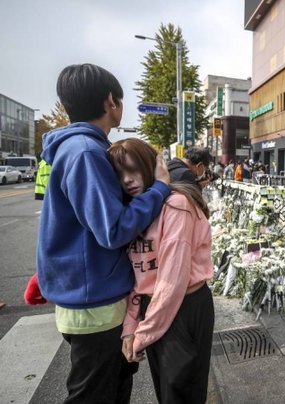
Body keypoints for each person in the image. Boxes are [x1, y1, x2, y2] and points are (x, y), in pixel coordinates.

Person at [36, 63, 171, 404]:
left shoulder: (80, 148)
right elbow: (113, 229)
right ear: (111, 101)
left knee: (112, 388)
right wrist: (159, 190)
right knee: (94, 394)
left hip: (89, 297)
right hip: (93, 303)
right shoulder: (85, 152)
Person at [108, 139, 214, 404]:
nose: (128, 180)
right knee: (167, 391)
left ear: (150, 166)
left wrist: (142, 334)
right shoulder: (138, 209)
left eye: (133, 170)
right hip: (154, 307)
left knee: (180, 393)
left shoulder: (176, 204)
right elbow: (138, 275)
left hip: (183, 307)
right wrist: (131, 326)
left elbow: (172, 280)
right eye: (120, 174)